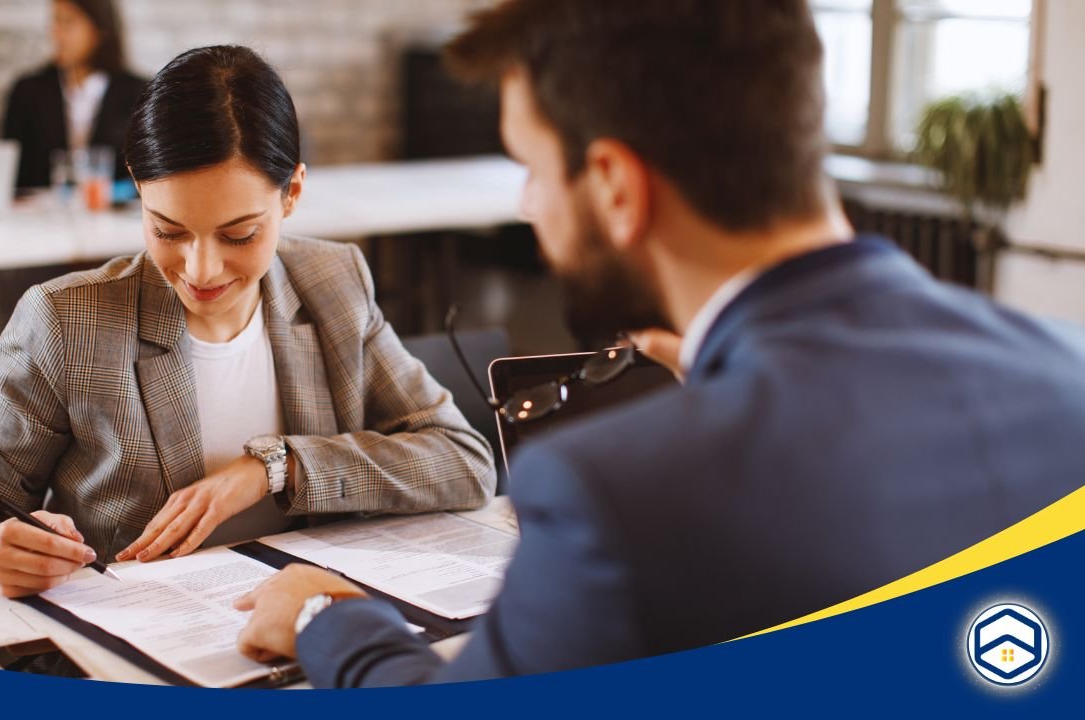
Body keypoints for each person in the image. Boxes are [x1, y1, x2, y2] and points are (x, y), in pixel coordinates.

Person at [233, 0, 1085, 685]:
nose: (531, 207)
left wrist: (326, 621)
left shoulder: (613, 492)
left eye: (533, 169)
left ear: (612, 185)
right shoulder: (1066, 372)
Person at [0, 45, 496, 598]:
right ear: (138, 189)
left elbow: (464, 461)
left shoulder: (334, 282)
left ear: (291, 192)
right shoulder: (68, 322)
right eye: (168, 231)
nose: (200, 269)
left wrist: (278, 467)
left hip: (307, 630)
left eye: (238, 234)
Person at [1, 0, 147, 189]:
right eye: (55, 21)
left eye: (68, 22)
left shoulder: (138, 92)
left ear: (99, 30)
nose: (56, 32)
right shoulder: (27, 91)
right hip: (41, 214)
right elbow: (10, 171)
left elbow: (148, 172)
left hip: (114, 214)